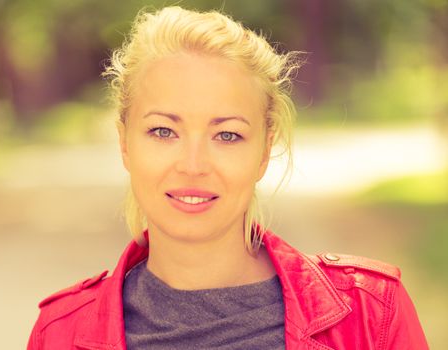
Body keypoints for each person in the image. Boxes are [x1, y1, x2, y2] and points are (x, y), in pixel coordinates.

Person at [27, 6, 428, 350]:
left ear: (264, 151)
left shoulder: (372, 312)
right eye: (164, 131)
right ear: (125, 144)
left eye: (227, 135)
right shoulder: (61, 332)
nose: (193, 164)